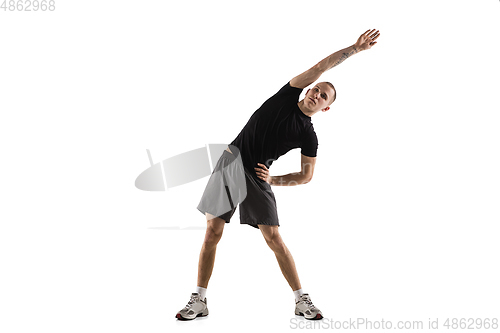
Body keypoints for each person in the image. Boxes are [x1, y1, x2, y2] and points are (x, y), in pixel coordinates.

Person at [175, 29, 381, 321]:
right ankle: (199, 300)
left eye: (323, 96)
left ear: (326, 107)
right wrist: (355, 49)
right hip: (231, 162)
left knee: (273, 237)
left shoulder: (308, 135)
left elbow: (306, 176)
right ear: (307, 90)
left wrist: (274, 180)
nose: (316, 94)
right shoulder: (286, 96)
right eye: (315, 89)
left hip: (259, 176)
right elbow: (320, 67)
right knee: (212, 232)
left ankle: (301, 300)